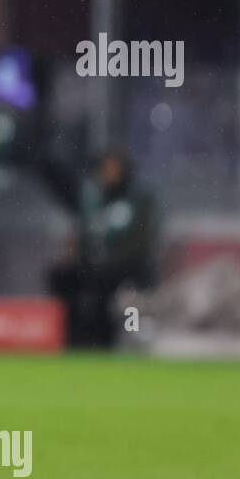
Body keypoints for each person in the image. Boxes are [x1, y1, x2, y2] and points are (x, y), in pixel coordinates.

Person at [45, 150, 159, 349]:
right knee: (62, 277)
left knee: (104, 289)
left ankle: (104, 340)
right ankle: (74, 336)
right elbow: (86, 233)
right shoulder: (94, 198)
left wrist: (109, 259)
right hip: (96, 265)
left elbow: (142, 240)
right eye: (105, 169)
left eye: (113, 168)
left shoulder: (138, 200)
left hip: (127, 266)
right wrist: (80, 254)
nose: (108, 173)